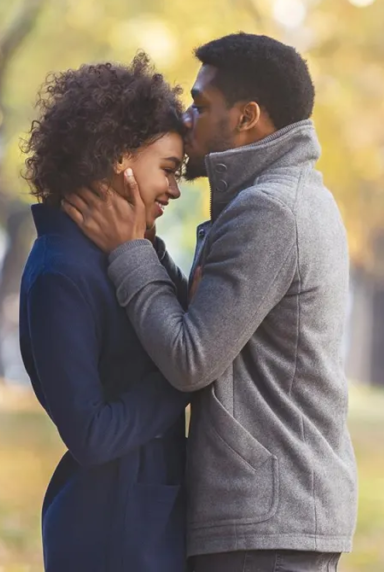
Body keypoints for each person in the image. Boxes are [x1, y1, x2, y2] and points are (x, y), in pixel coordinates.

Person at [63, 33, 358, 572]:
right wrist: (141, 242)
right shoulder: (281, 198)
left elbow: (192, 357)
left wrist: (129, 251)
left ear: (246, 116)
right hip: (273, 515)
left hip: (266, 522)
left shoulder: (271, 213)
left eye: (201, 105)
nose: (186, 117)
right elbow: (208, 323)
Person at [19, 53, 192, 571]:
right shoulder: (61, 272)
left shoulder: (113, 256)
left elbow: (188, 318)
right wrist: (186, 375)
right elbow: (91, 435)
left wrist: (144, 248)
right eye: (168, 169)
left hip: (141, 522)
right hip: (112, 535)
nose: (176, 189)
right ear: (121, 157)